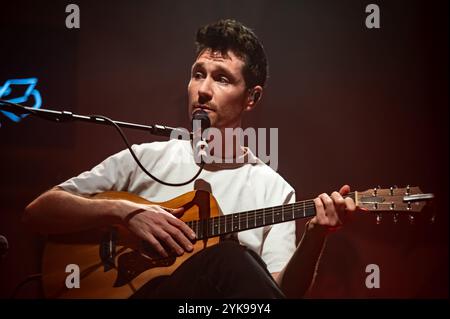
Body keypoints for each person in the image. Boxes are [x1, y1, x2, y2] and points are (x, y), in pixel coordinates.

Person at [23, 19, 356, 299]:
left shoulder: (274, 189)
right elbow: (38, 213)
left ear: (252, 98)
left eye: (221, 78)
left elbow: (278, 293)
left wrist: (314, 237)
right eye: (198, 74)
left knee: (231, 259)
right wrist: (127, 212)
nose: (203, 89)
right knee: (231, 257)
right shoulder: (145, 158)